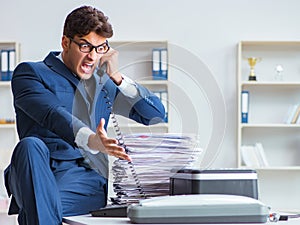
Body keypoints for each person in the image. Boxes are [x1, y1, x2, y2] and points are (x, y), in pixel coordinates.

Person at [4, 5, 165, 225]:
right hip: (34, 169)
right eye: (85, 46)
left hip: (82, 180)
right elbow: (53, 114)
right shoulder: (30, 73)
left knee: (38, 208)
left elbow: (155, 115)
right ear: (65, 43)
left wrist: (116, 76)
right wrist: (91, 139)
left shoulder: (103, 83)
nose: (92, 57)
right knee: (30, 146)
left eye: (100, 48)